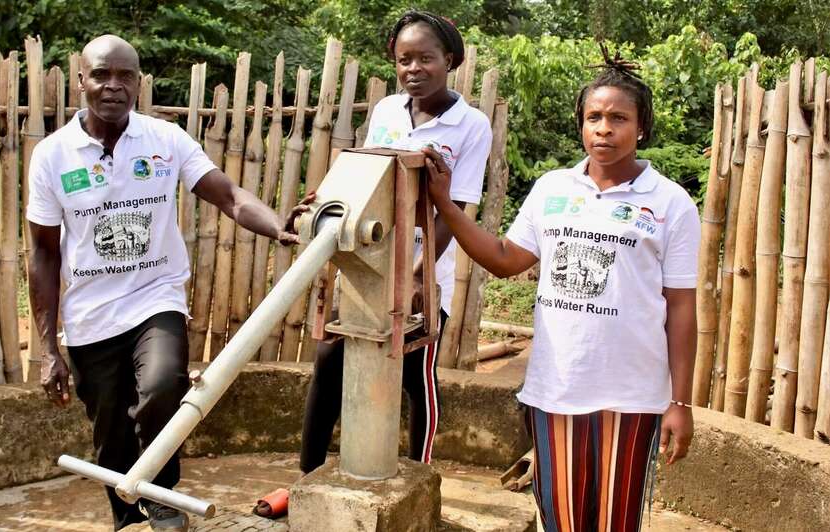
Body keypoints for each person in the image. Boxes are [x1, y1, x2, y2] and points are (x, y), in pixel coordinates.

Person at [26, 35, 306, 532]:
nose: (114, 86)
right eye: (102, 75)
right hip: (90, 314)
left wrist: (277, 224)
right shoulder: (53, 155)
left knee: (161, 387)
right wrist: (48, 348)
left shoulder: (165, 140)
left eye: (125, 76)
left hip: (156, 297)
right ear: (81, 81)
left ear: (139, 83)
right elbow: (44, 254)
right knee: (109, 431)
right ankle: (126, 518)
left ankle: (163, 498)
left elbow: (229, 195)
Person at [423, 46, 699, 531]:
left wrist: (680, 403)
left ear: (642, 127)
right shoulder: (553, 189)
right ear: (580, 123)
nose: (604, 129)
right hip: (556, 388)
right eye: (594, 116)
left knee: (615, 522)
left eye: (618, 118)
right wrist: (446, 204)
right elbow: (507, 259)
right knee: (563, 519)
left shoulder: (671, 203)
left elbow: (680, 307)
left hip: (633, 394)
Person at [254, 9, 493, 518]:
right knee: (327, 364)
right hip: (367, 268)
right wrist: (322, 203)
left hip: (421, 277)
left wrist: (415, 279)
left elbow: (456, 210)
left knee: (414, 378)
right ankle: (303, 479)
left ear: (449, 60)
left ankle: (420, 479)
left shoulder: (471, 125)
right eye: (405, 59)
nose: (414, 69)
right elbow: (363, 177)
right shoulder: (387, 110)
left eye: (426, 58)